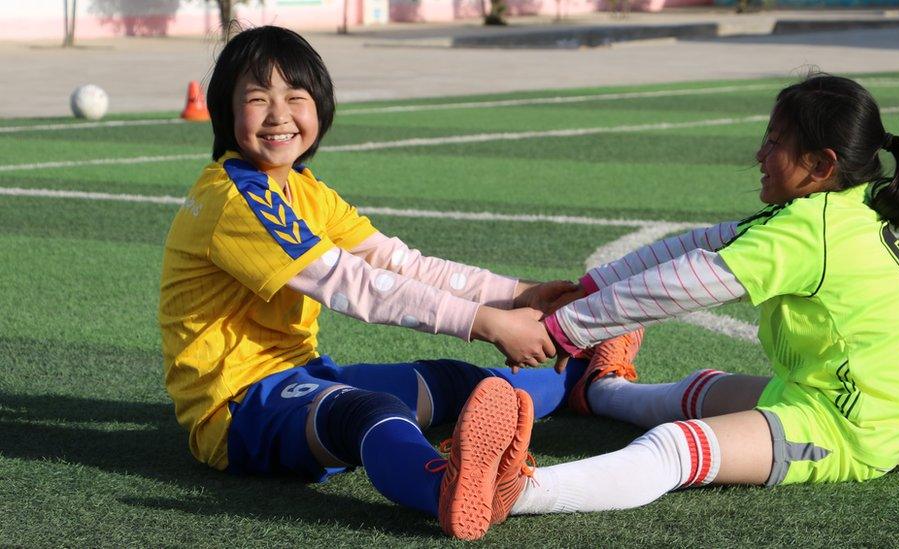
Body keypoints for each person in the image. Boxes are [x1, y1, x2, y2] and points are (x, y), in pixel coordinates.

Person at [157, 25, 605, 541]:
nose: (279, 115)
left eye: (295, 97)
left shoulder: (304, 190)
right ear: (226, 113)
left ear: (320, 108)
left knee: (458, 381)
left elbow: (399, 264)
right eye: (258, 99)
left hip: (304, 374)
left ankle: (580, 380)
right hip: (236, 411)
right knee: (371, 411)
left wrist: (520, 293)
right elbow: (354, 283)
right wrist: (486, 323)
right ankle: (447, 490)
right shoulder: (238, 201)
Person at [490, 74, 899, 521]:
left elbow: (683, 284)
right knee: (699, 390)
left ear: (821, 166)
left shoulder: (809, 231)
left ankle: (516, 494)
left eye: (775, 142)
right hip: (833, 396)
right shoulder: (834, 211)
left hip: (857, 428)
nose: (760, 154)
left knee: (675, 446)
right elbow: (699, 244)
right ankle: (600, 390)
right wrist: (586, 291)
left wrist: (563, 329)